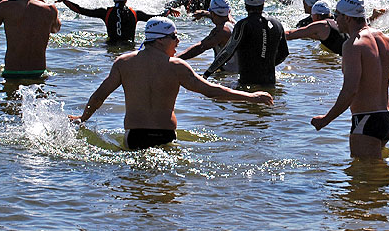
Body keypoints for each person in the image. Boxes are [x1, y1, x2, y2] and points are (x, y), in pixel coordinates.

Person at [70, 17, 274, 150]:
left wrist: (83, 118)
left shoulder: (124, 63)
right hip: (165, 136)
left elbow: (100, 95)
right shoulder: (177, 66)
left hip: (134, 136)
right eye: (174, 37)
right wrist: (252, 97)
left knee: (134, 186)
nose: (178, 42)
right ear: (159, 40)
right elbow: (212, 91)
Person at [310, 0, 389, 160]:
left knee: (362, 180)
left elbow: (350, 90)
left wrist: (326, 119)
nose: (334, 19)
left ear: (347, 17)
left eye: (337, 14)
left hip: (366, 119)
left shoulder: (353, 45)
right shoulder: (387, 40)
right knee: (376, 177)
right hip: (387, 119)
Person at [204, 0, 289, 85]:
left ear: (245, 4)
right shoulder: (277, 24)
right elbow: (284, 53)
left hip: (247, 83)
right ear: (263, 2)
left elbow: (227, 52)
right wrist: (266, 65)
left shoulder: (244, 25)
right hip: (270, 83)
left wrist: (206, 74)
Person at [53, 0, 176, 44]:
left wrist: (64, 1)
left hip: (109, 47)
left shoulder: (106, 13)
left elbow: (81, 10)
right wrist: (169, 11)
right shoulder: (135, 14)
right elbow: (158, 17)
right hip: (130, 48)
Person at [178, 0, 238, 72]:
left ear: (212, 13)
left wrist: (174, 59)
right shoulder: (232, 23)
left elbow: (200, 47)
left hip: (229, 76)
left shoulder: (220, 31)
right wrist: (204, 13)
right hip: (236, 73)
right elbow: (219, 15)